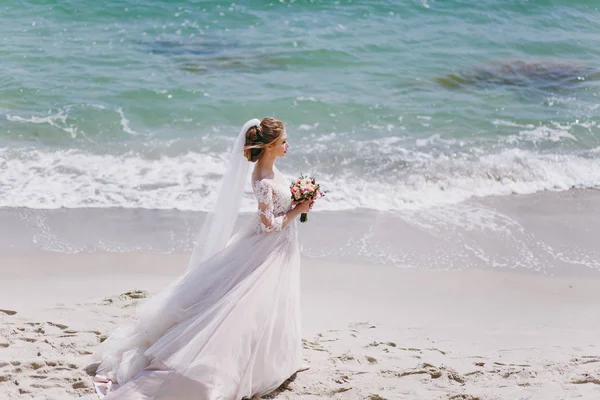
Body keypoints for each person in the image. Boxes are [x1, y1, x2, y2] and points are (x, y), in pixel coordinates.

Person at [92, 117, 314, 399]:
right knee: (248, 308)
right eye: (283, 141)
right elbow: (268, 224)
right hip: (265, 249)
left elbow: (275, 213)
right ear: (270, 146)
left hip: (280, 246)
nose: (288, 145)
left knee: (279, 303)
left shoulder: (272, 169)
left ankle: (283, 359)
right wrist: (298, 210)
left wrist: (295, 202)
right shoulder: (261, 180)